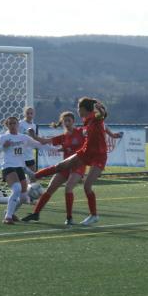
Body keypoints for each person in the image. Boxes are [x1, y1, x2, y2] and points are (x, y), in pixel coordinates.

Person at [31, 97, 110, 226]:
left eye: (79, 108)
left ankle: (94, 215)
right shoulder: (86, 121)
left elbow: (102, 116)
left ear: (83, 109)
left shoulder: (95, 118)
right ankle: (33, 175)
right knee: (62, 165)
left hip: (99, 156)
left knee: (87, 186)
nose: (77, 110)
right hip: (86, 152)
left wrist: (102, 110)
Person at [22, 111, 86, 225]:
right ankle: (36, 213)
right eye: (64, 121)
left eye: (69, 121)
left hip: (78, 166)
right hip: (66, 166)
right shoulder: (63, 137)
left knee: (68, 188)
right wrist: (33, 136)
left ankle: (69, 218)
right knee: (50, 189)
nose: (66, 123)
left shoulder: (80, 132)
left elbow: (90, 138)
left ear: (73, 122)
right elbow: (44, 141)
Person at [0, 116, 49, 225]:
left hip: (20, 168)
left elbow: (39, 145)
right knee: (17, 188)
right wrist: (3, 147)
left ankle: (10, 212)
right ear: (7, 125)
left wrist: (57, 148)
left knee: (24, 198)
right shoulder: (3, 137)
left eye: (15, 123)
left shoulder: (23, 138)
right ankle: (8, 218)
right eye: (10, 124)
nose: (13, 126)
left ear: (18, 125)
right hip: (8, 167)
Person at [19, 106, 39, 181]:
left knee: (33, 176)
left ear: (34, 114)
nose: (29, 115)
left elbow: (33, 139)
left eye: (31, 113)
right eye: (28, 113)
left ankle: (30, 190)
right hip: (20, 154)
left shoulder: (34, 126)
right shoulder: (20, 124)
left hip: (29, 154)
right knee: (20, 177)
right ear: (24, 114)